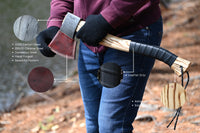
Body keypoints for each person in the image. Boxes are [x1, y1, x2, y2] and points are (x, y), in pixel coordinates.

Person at [36, 0, 163, 132]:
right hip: (90, 39)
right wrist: (56, 23)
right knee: (93, 123)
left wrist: (106, 19)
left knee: (112, 126)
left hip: (130, 34)